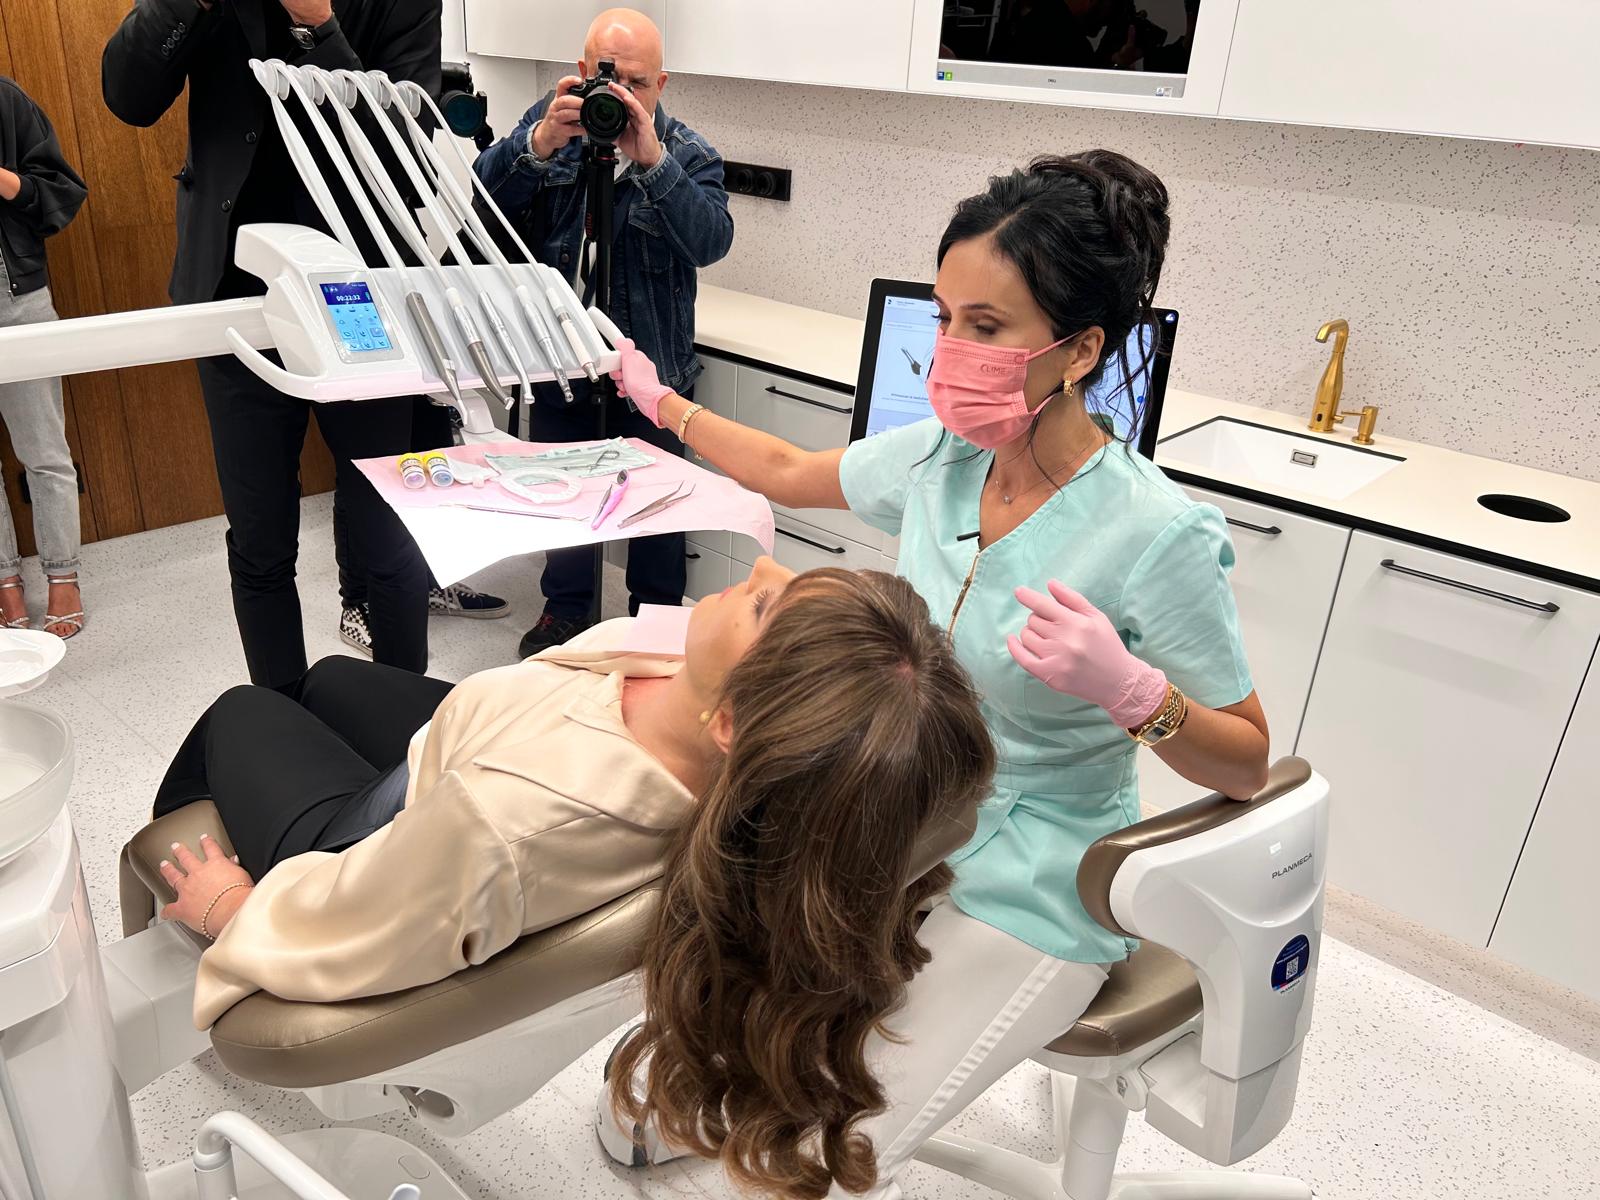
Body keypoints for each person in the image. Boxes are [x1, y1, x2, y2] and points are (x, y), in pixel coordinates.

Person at [597, 150, 1271, 1198]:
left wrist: (1136, 694)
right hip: (896, 819)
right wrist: (664, 404)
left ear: (1081, 349)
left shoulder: (1156, 532)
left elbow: (1246, 761)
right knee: (673, 1077)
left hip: (1040, 870)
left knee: (814, 1153)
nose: (949, 352)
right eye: (945, 318)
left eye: (987, 327)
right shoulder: (942, 461)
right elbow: (790, 472)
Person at [151, 559, 994, 1033]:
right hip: (468, 743)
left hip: (385, 840)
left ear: (732, 721)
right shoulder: (718, 713)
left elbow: (352, 926)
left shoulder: (509, 823)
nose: (762, 566)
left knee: (244, 710)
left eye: (764, 604)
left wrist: (231, 908)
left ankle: (159, 873)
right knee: (331, 677)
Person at [101, 0, 446, 689]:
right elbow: (129, 97)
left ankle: (406, 718)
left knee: (389, 528)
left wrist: (320, 27)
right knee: (259, 541)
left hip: (360, 297)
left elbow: (403, 157)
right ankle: (283, 719)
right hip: (232, 293)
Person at [473, 7, 734, 659]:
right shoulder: (551, 128)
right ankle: (565, 611)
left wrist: (653, 163)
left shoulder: (689, 153)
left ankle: (656, 623)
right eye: (609, 79)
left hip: (653, 374)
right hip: (561, 361)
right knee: (565, 496)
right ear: (582, 72)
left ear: (661, 84)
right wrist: (537, 145)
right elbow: (479, 208)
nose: (621, 96)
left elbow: (710, 243)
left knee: (656, 510)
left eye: (637, 83)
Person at [0, 77, 88, 639]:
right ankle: (4, 582)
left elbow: (61, 191)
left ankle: (63, 576)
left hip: (15, 296)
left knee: (44, 449)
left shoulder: (4, 100)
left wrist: (4, 180)